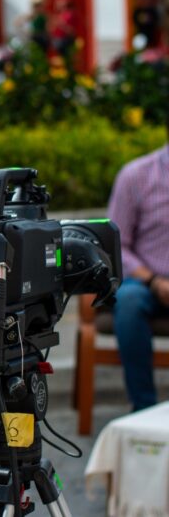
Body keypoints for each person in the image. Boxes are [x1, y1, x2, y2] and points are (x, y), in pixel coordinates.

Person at [107, 122, 169, 412]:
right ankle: (144, 409)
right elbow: (116, 244)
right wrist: (155, 280)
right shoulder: (136, 175)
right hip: (145, 282)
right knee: (129, 302)